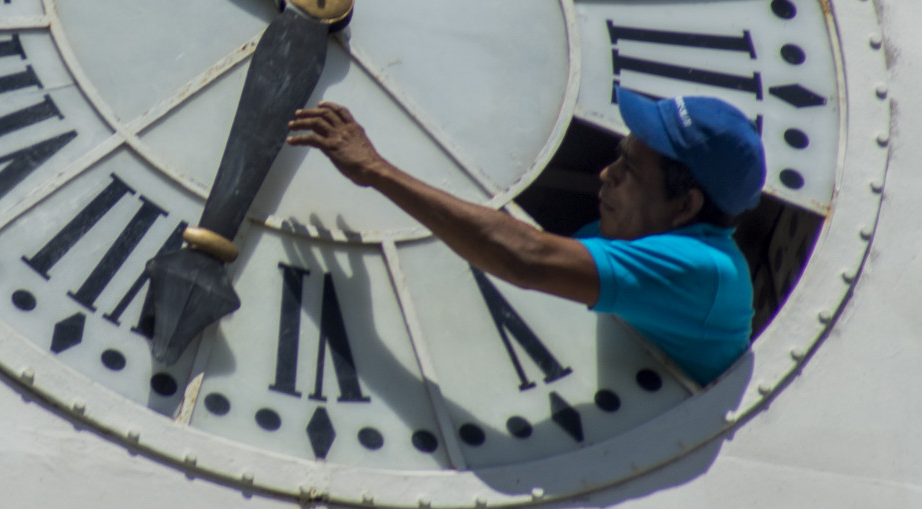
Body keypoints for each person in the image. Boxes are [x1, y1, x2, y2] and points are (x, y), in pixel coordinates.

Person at [288, 89, 760, 385]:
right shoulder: (624, 235)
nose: (606, 173)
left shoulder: (707, 273)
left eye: (630, 170)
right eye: (619, 156)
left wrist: (375, 169)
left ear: (684, 206)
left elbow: (528, 258)